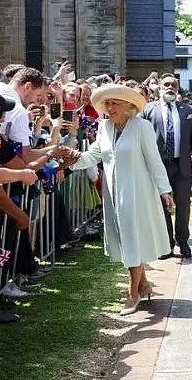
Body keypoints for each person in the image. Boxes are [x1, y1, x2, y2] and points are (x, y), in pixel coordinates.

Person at [70, 84, 174, 314]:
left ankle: (133, 293)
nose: (110, 107)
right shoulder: (104, 127)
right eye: (107, 103)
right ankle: (144, 283)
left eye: (114, 102)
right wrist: (70, 158)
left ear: (128, 106)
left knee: (131, 238)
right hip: (113, 194)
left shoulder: (142, 127)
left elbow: (154, 161)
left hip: (137, 193)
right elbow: (93, 155)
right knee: (125, 237)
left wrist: (164, 190)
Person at [141, 74, 192, 260]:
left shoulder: (187, 110)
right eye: (166, 84)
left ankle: (183, 242)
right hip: (158, 167)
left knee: (183, 206)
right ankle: (166, 244)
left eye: (173, 85)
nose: (170, 87)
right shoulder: (148, 110)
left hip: (182, 167)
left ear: (177, 88)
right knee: (162, 207)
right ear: (160, 88)